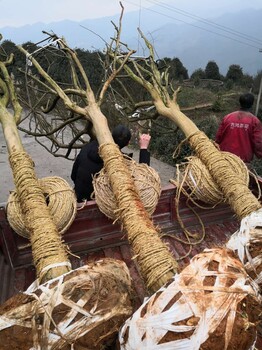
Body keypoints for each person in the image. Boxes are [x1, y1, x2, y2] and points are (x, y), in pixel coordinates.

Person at [71, 125, 151, 203]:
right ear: (127, 143)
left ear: (111, 135)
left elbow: (73, 175)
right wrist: (144, 148)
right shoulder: (120, 161)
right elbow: (142, 181)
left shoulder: (88, 147)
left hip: (77, 197)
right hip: (98, 204)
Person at [215, 93, 262, 164]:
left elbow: (218, 137)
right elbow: (258, 142)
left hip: (225, 156)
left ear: (240, 103)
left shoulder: (227, 117)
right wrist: (260, 155)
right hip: (243, 160)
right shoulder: (254, 121)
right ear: (252, 104)